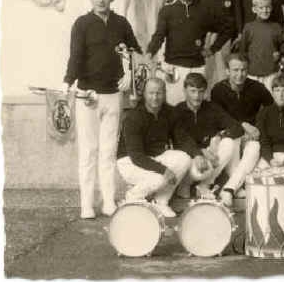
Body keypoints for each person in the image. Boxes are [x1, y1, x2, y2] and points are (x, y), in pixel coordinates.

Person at [62, 0, 141, 219]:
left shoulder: (121, 23)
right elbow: (75, 57)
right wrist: (67, 83)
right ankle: (86, 204)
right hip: (88, 95)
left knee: (108, 152)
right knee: (88, 152)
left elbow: (135, 52)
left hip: (114, 96)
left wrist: (130, 74)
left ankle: (108, 201)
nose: (100, 0)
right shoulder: (82, 24)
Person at [116, 78, 204, 218]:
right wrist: (164, 170)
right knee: (159, 178)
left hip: (155, 157)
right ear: (144, 94)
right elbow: (137, 156)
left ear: (164, 93)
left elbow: (181, 138)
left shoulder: (169, 112)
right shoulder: (133, 117)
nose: (155, 97)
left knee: (184, 159)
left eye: (159, 93)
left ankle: (161, 201)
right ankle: (132, 197)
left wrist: (197, 154)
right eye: (151, 93)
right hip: (129, 161)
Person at [173, 73, 259, 208]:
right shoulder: (177, 111)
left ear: (205, 92)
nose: (197, 96)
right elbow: (180, 140)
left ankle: (205, 185)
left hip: (210, 155)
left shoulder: (211, 108)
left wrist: (219, 136)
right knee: (198, 172)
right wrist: (199, 152)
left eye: (201, 91)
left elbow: (236, 128)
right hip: (190, 156)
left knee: (229, 143)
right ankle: (185, 184)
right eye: (193, 91)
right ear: (185, 91)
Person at [145, 0, 226, 106]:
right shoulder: (167, 11)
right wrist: (149, 52)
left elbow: (226, 29)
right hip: (173, 67)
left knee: (196, 107)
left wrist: (213, 49)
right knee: (174, 106)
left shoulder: (204, 11)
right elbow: (159, 35)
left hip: (197, 67)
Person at [210, 53, 275, 200]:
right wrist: (243, 125)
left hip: (250, 134)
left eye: (243, 70)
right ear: (227, 71)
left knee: (255, 147)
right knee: (233, 140)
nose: (240, 74)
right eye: (235, 70)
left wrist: (257, 127)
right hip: (229, 135)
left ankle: (230, 188)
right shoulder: (218, 90)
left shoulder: (257, 88)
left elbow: (271, 110)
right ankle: (236, 187)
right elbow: (219, 118)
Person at [238, 0, 284, 92]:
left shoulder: (276, 27)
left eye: (267, 7)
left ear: (271, 8)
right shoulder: (248, 27)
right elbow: (243, 50)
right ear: (254, 9)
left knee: (270, 98)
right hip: (252, 73)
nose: (265, 10)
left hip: (271, 72)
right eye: (261, 8)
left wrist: (279, 53)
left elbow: (283, 46)